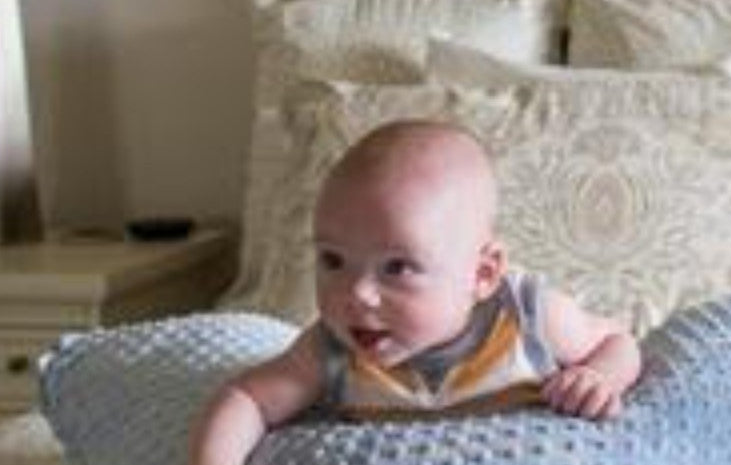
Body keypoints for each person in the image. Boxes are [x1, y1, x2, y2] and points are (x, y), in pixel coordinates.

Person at [188, 120, 642, 465]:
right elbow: (246, 400)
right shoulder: (331, 349)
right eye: (332, 261)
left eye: (397, 267)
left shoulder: (528, 317)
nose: (358, 295)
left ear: (483, 274)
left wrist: (601, 376)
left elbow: (618, 342)